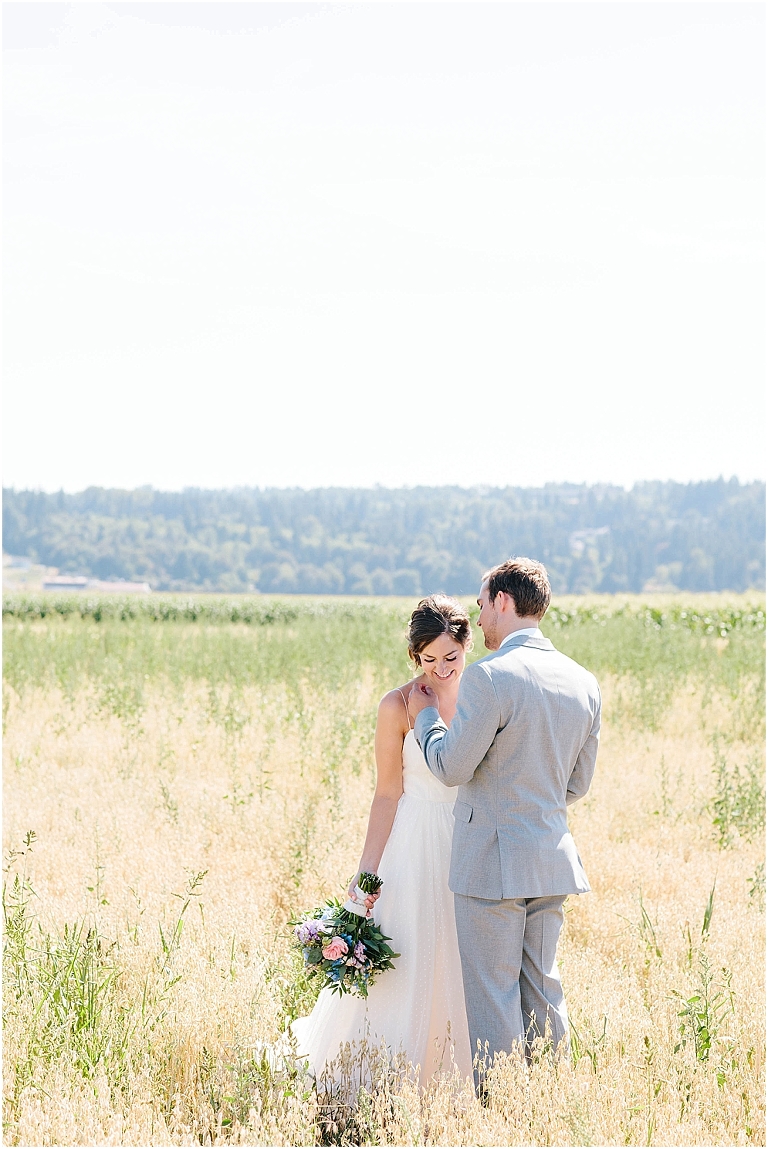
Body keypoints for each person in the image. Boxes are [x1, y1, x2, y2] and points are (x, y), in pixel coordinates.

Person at [408, 557, 601, 1092]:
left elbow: (450, 767)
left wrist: (425, 719)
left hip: (491, 865)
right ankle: (550, 1107)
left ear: (503, 601)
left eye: (481, 602)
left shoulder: (490, 677)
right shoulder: (584, 682)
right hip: (550, 857)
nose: (479, 616)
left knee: (492, 996)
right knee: (544, 990)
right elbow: (577, 785)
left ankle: (504, 1115)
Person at [291, 595, 474, 1087]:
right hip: (413, 842)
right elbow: (387, 792)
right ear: (415, 656)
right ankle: (380, 1075)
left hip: (467, 837)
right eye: (427, 660)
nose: (439, 671)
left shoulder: (484, 695)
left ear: (466, 645)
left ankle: (461, 1078)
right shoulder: (395, 705)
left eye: (450, 658)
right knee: (408, 951)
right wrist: (366, 872)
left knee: (462, 957)